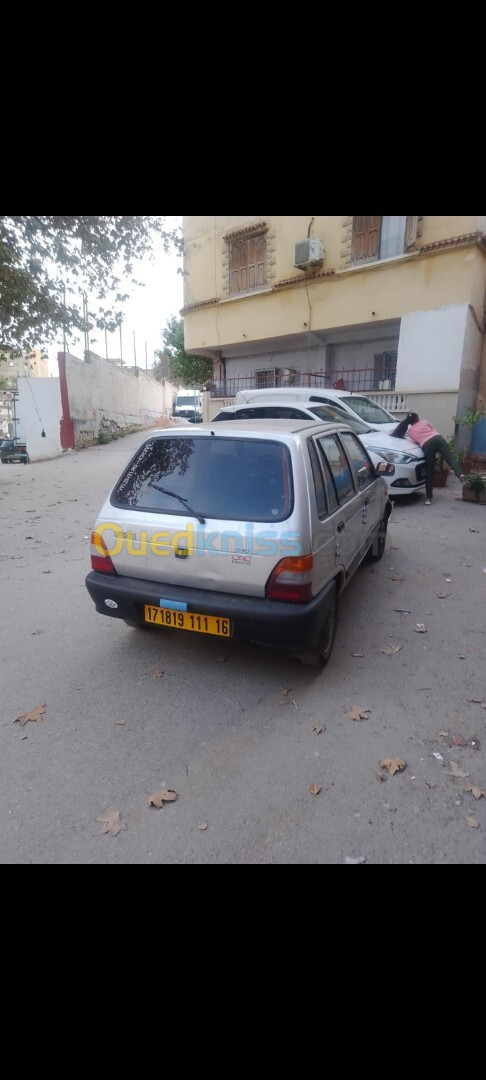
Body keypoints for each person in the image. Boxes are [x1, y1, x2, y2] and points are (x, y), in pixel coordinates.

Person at [392, 412, 466, 505]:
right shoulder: (425, 422)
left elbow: (416, 442)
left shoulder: (410, 432)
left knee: (429, 471)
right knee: (450, 458)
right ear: (418, 418)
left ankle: (429, 498)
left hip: (427, 445)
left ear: (409, 423)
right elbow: (432, 430)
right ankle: (460, 474)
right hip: (438, 439)